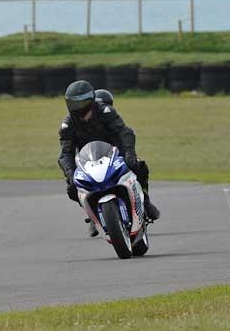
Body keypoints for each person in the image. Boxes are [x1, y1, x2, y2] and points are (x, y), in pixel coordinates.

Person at [59, 81, 160, 237]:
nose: (78, 108)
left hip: (115, 155)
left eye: (82, 103)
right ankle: (93, 215)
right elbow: (65, 154)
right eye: (74, 103)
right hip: (89, 162)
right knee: (72, 189)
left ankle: (145, 202)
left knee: (139, 166)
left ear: (91, 101)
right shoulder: (68, 125)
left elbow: (125, 132)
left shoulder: (105, 112)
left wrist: (129, 153)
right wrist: (70, 173)